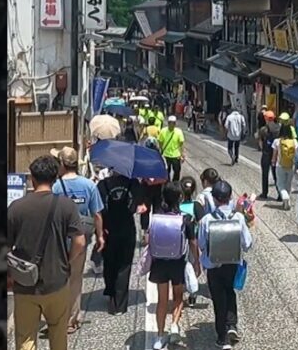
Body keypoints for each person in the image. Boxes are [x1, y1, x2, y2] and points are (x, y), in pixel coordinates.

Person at [8, 155, 85, 350]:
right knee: (58, 334)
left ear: (32, 178)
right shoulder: (66, 206)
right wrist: (67, 261)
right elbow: (79, 241)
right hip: (57, 280)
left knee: (26, 338)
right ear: (55, 178)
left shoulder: (16, 208)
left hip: (25, 283)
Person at [49, 147, 104, 334]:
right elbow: (96, 214)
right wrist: (100, 236)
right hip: (81, 238)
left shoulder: (55, 187)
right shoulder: (89, 185)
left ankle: (57, 317)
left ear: (62, 164)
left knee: (59, 279)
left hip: (58, 238)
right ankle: (72, 319)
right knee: (75, 278)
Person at [197, 179, 254, 349]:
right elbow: (247, 243)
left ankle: (221, 337)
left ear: (213, 198)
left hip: (213, 266)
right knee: (230, 292)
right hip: (232, 263)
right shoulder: (238, 217)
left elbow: (201, 244)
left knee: (218, 298)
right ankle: (232, 325)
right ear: (230, 198)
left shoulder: (206, 219)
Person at [146, 182, 201, 349]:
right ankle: (175, 324)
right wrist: (197, 262)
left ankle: (159, 335)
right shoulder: (185, 219)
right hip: (178, 262)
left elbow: (147, 239)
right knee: (178, 297)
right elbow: (192, 242)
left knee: (162, 300)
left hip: (160, 263)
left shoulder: (157, 217)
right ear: (180, 197)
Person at [96, 168, 140, 315]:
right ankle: (120, 305)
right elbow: (136, 207)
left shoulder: (102, 185)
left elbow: (99, 210)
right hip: (127, 230)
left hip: (108, 230)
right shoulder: (133, 183)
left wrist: (99, 232)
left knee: (109, 263)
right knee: (124, 265)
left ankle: (110, 293)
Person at [178, 177, 208, 306]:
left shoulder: (175, 205)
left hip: (177, 242)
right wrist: (198, 259)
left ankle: (179, 294)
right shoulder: (196, 205)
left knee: (179, 268)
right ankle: (192, 294)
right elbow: (202, 223)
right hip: (192, 240)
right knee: (192, 266)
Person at [256, 110, 280, 200]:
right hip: (276, 154)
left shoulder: (263, 129)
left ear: (266, 118)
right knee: (276, 175)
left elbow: (260, 142)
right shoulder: (279, 128)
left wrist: (263, 148)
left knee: (265, 174)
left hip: (266, 153)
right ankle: (280, 194)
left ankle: (264, 193)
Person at [274, 124, 297, 211]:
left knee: (280, 184)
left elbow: (274, 154)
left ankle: (285, 197)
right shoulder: (294, 142)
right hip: (291, 166)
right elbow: (297, 154)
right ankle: (287, 202)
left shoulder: (277, 141)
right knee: (288, 184)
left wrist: (273, 161)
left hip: (280, 165)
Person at [158, 115, 186, 181]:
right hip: (166, 155)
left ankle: (175, 183)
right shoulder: (163, 131)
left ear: (175, 123)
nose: (172, 124)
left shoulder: (179, 131)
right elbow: (160, 142)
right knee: (166, 171)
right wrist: (161, 149)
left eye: (173, 123)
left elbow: (181, 143)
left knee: (177, 171)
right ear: (168, 123)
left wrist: (182, 154)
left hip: (176, 155)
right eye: (170, 122)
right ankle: (167, 183)